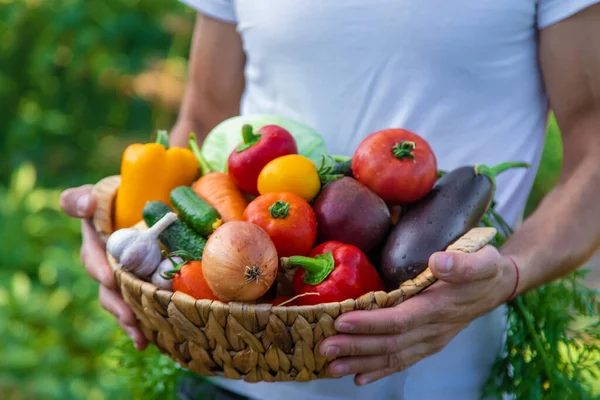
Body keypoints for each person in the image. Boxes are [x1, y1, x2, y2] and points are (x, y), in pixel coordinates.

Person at [60, 1, 600, 399]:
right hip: (228, 366)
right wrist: (127, 229)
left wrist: (509, 273)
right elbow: (202, 121)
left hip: (448, 378)